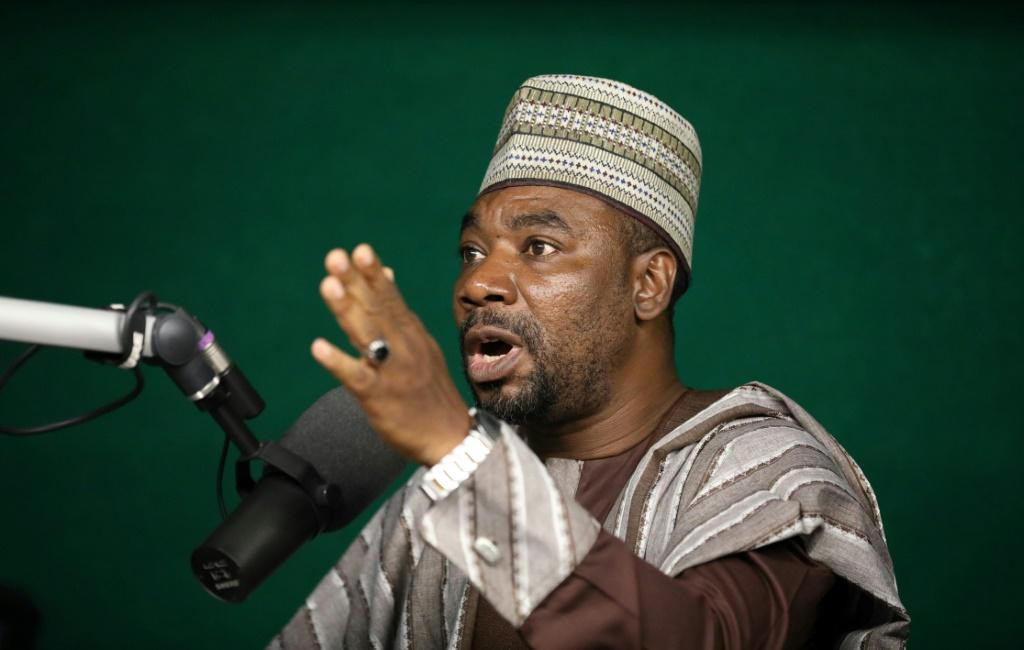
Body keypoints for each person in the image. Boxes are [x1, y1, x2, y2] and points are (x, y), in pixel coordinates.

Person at [270, 75, 910, 648]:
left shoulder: (766, 475)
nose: (478, 283)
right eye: (471, 252)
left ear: (648, 285)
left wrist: (457, 454)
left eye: (538, 246)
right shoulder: (442, 489)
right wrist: (458, 460)